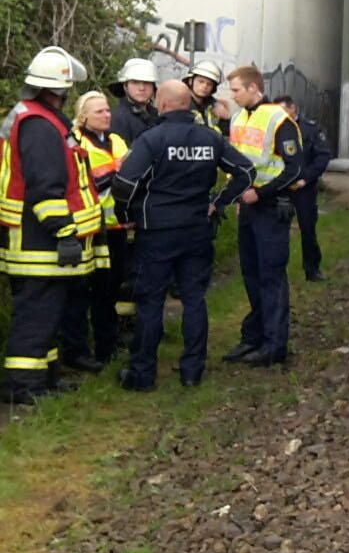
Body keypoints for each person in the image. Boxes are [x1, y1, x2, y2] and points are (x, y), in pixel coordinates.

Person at [111, 81, 253, 390]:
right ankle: (192, 371)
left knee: (150, 302)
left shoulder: (152, 139)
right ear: (188, 104)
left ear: (161, 104)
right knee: (194, 299)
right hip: (197, 229)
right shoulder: (210, 138)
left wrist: (125, 216)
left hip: (157, 231)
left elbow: (124, 185)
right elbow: (246, 171)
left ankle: (142, 375)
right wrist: (219, 202)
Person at [0, 46, 100, 404]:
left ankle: (45, 378)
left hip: (36, 239)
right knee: (37, 315)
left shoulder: (36, 117)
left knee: (49, 313)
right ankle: (22, 386)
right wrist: (64, 231)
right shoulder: (40, 126)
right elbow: (46, 187)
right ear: (59, 90)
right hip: (39, 241)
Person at [220, 65, 301, 367]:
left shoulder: (280, 120)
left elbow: (294, 168)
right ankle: (253, 337)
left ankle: (274, 345)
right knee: (251, 274)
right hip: (248, 206)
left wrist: (261, 193)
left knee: (271, 276)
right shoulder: (240, 116)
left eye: (237, 90)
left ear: (254, 88)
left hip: (270, 206)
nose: (233, 95)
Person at [57, 92, 128, 371]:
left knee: (109, 290)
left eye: (108, 110)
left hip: (116, 226)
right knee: (82, 293)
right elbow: (82, 183)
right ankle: (79, 350)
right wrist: (115, 174)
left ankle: (107, 345)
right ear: (83, 116)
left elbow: (131, 172)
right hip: (87, 229)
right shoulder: (75, 142)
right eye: (100, 112)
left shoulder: (116, 140)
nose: (107, 115)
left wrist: (115, 174)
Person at [273, 96, 331, 281]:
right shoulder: (273, 129)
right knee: (277, 231)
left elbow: (322, 157)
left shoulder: (309, 129)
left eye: (283, 110)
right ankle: (277, 271)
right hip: (281, 188)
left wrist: (306, 179)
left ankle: (312, 269)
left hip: (304, 188)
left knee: (307, 229)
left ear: (293, 108)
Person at [109, 57, 159, 146]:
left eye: (147, 83)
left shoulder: (158, 115)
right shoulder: (117, 118)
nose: (142, 88)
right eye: (135, 82)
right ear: (125, 86)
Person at [185, 60, 228, 132]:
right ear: (190, 81)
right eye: (201, 81)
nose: (205, 86)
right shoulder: (181, 105)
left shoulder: (216, 107)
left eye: (209, 84)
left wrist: (225, 119)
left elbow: (225, 134)